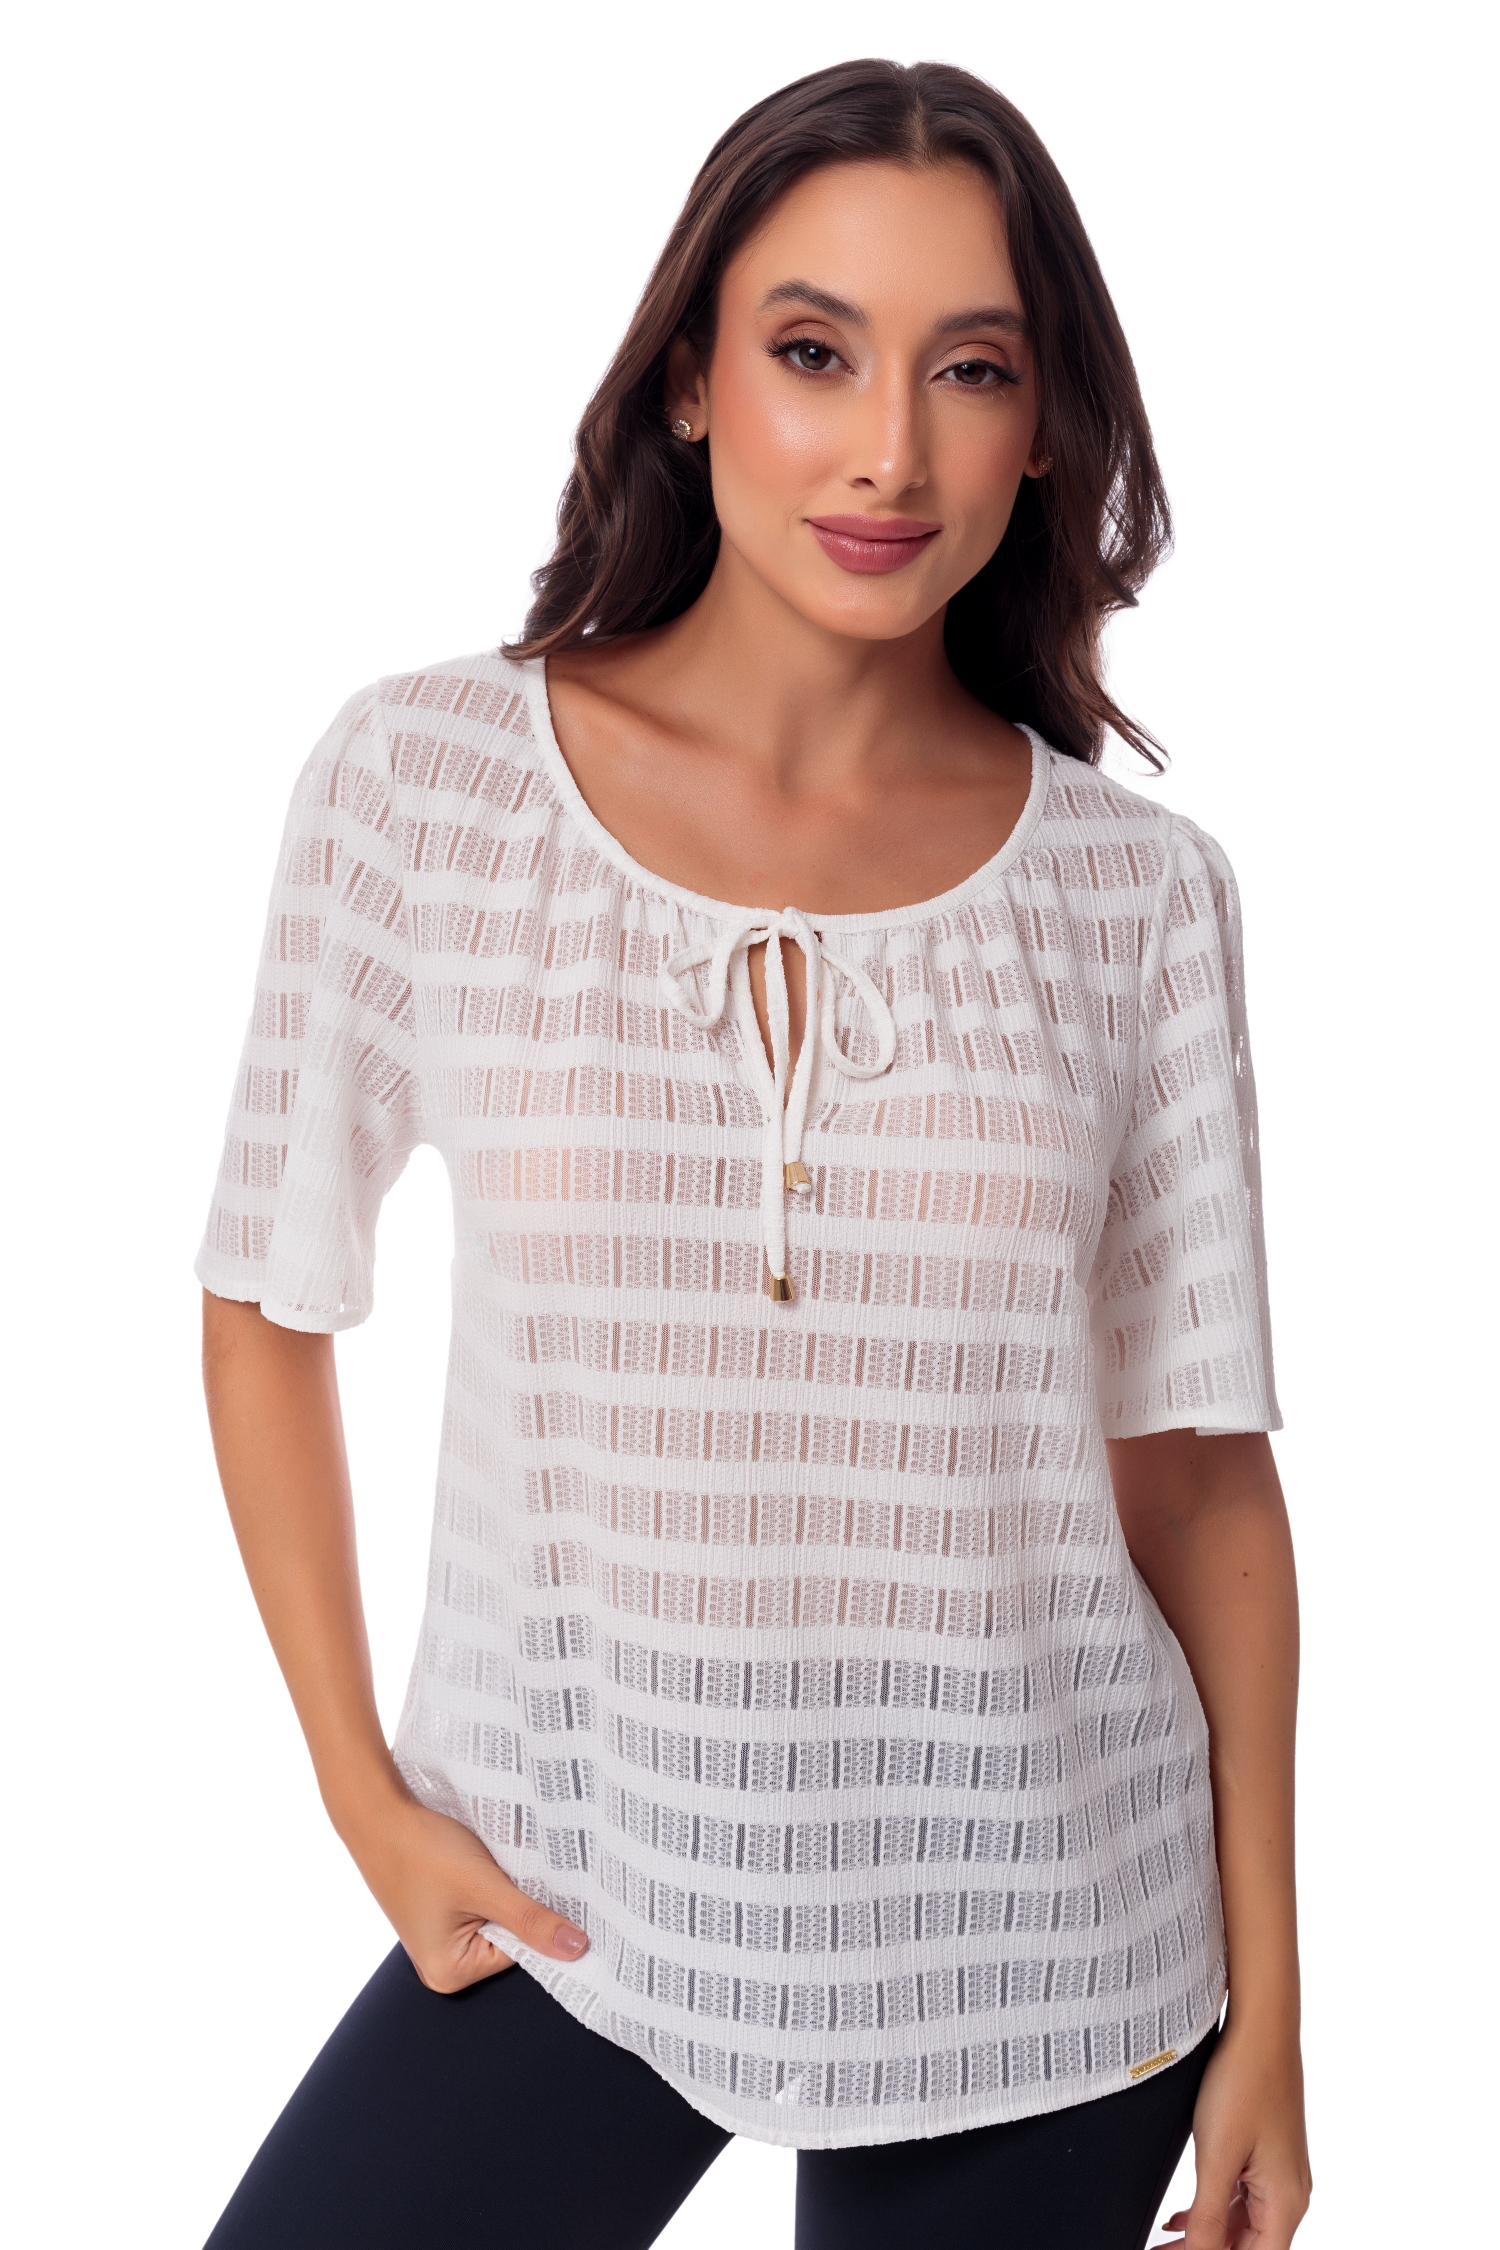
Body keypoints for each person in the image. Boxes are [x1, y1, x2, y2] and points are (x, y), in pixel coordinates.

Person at [197, 57, 1311, 2250]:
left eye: (970, 369)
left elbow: (1199, 1478)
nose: (891, 449)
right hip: (572, 1881)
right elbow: (263, 1295)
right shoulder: (428, 788)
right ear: (692, 379)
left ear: (1045, 427)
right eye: (815, 352)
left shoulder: (1136, 900)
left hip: (1046, 1940)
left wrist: (1272, 1992)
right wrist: (358, 1791)